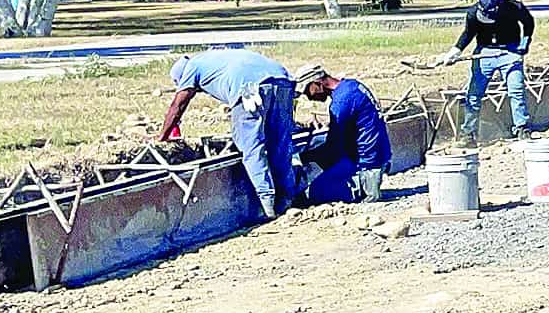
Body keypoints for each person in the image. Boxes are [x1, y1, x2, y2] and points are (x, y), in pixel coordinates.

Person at [161, 48, 299, 218]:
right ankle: (287, 199)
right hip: (282, 80)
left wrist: (163, 137)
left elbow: (178, 104)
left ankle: (267, 206)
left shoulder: (191, 68)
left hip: (250, 88)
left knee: (251, 145)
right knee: (280, 143)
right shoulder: (213, 58)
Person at [434, 0, 534, 141]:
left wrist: (525, 42)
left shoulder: (514, 8)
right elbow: (468, 33)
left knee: (516, 90)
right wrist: (454, 53)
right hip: (484, 52)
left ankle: (522, 128)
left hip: (510, 52)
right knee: (474, 94)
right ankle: (469, 133)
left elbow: (528, 23)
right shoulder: (474, 13)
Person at [293, 64, 390, 204]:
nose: (308, 97)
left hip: (367, 164)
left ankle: (363, 188)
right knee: (323, 151)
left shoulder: (341, 101)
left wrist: (301, 158)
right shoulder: (351, 85)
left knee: (314, 192)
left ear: (317, 84)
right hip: (379, 155)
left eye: (308, 91)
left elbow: (332, 147)